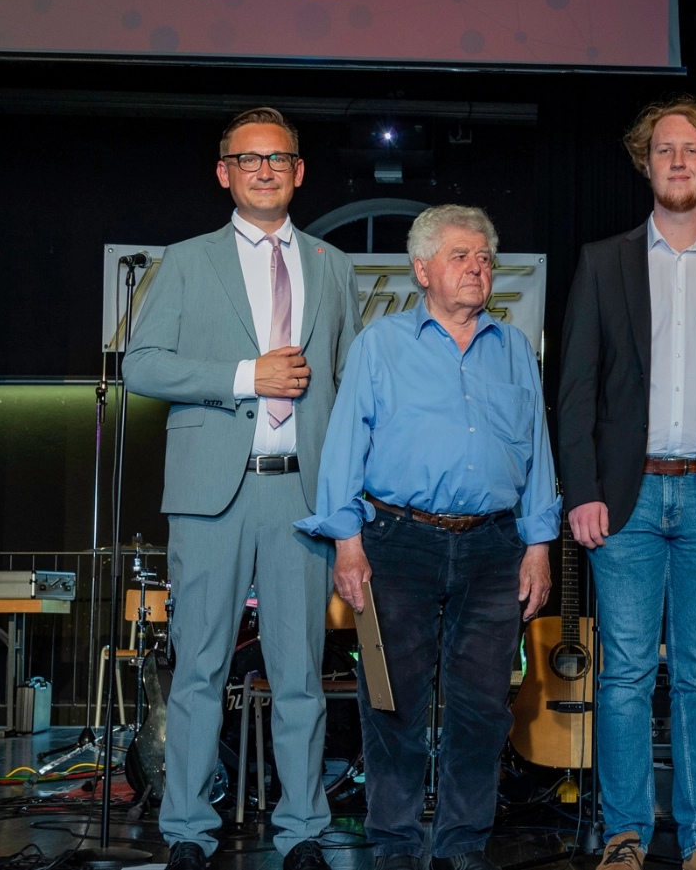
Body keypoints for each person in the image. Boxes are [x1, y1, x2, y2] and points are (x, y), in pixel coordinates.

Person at [124, 107, 358, 870]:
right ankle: (187, 830)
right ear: (223, 171)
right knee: (198, 669)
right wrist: (241, 377)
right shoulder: (185, 261)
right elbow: (141, 364)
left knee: (300, 677)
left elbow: (350, 388)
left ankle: (303, 833)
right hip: (211, 495)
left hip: (301, 496)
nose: (264, 169)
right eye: (247, 158)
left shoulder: (332, 265)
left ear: (299, 171)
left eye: (278, 157)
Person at [557, 95, 696, 870]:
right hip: (623, 500)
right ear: (644, 164)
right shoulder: (604, 260)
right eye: (664, 150)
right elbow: (576, 388)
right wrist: (581, 488)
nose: (678, 161)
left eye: (692, 150)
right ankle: (625, 834)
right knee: (621, 672)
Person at [296, 205, 559, 870]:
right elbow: (344, 449)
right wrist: (347, 543)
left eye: (485, 257)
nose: (477, 267)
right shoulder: (380, 345)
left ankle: (462, 847)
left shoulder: (514, 350)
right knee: (392, 706)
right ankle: (393, 845)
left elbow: (538, 452)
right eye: (460, 255)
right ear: (421, 269)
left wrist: (538, 544)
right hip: (395, 545)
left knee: (480, 711)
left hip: (495, 549)